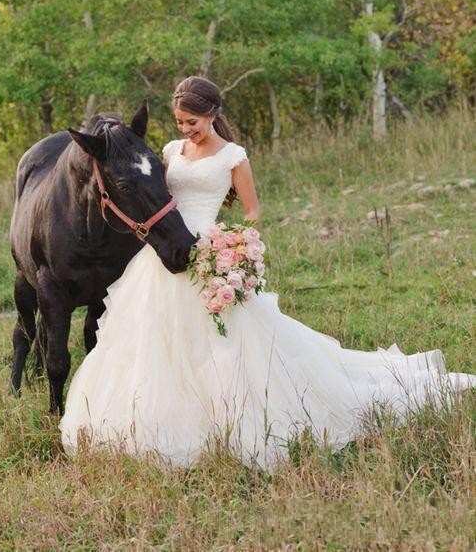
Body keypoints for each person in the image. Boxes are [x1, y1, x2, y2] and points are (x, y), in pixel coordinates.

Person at [60, 76, 475, 469]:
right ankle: (154, 418)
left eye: (193, 122)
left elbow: (252, 211)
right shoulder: (170, 152)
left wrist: (232, 247)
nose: (186, 130)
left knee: (224, 344)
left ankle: (228, 419)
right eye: (180, 122)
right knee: (154, 340)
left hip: (210, 253)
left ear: (212, 115)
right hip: (167, 253)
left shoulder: (233, 157)